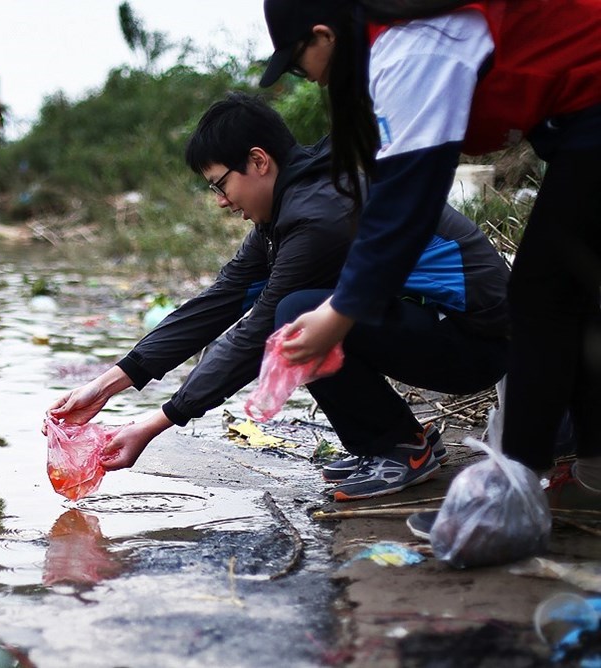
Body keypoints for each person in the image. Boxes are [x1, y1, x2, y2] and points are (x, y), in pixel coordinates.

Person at [47, 92, 509, 501]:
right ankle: (400, 440)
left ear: (258, 161)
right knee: (296, 310)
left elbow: (258, 329)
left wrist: (157, 422)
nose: (221, 201)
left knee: (294, 315)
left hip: (476, 343)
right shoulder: (292, 207)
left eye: (220, 183)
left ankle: (400, 449)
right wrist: (107, 384)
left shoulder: (320, 215)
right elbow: (221, 301)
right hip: (437, 330)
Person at [259, 0, 601, 509]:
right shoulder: (402, 43)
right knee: (566, 290)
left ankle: (513, 498)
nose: (308, 80)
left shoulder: (408, 43)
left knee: (543, 294)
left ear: (323, 36)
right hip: (579, 124)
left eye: (296, 62)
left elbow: (407, 201)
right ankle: (585, 469)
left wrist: (339, 312)